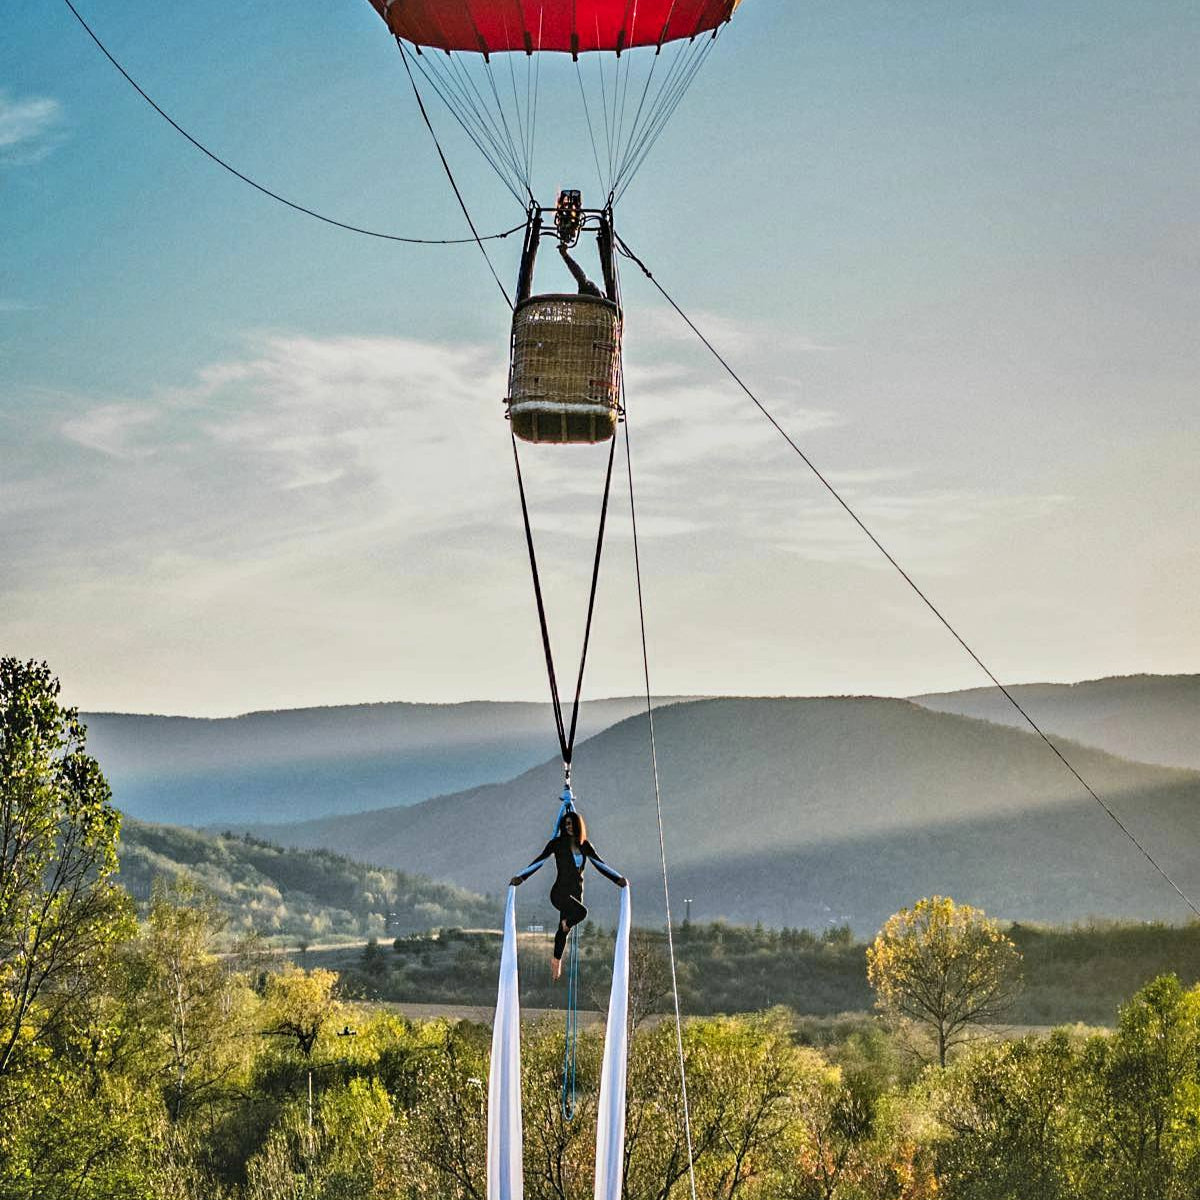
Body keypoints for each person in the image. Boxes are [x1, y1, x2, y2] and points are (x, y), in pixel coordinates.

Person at [510, 807, 626, 981]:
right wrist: (521, 877)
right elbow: (539, 861)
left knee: (563, 931)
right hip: (559, 893)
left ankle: (556, 962)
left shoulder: (585, 845)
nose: (569, 827)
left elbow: (600, 864)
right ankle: (567, 924)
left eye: (571, 824)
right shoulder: (556, 844)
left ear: (578, 825)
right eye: (566, 824)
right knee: (581, 913)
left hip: (575, 894)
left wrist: (617, 879)